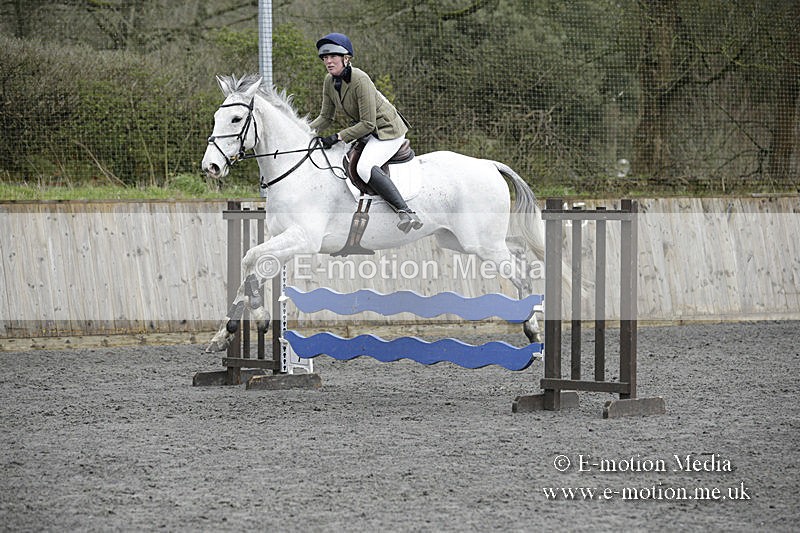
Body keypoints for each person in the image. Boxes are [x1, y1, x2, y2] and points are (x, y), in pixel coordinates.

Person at [310, 32, 422, 233]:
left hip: (387, 131)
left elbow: (368, 123)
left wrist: (337, 137)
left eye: (333, 56)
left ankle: (405, 211)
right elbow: (326, 116)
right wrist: (305, 132)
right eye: (325, 58)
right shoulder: (329, 80)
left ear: (346, 58)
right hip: (366, 132)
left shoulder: (360, 79)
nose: (328, 61)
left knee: (364, 167)